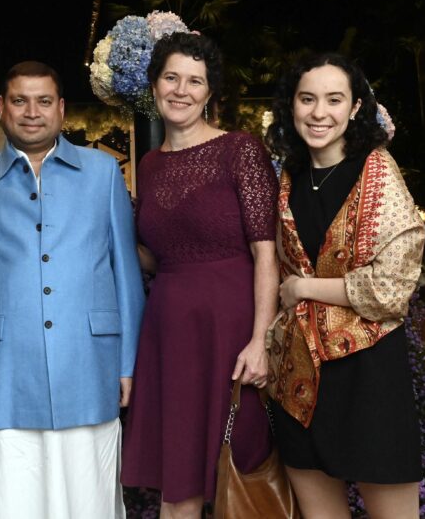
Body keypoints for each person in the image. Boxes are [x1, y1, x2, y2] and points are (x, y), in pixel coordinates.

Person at [0, 60, 145, 518]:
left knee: (89, 498)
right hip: (1, 371)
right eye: (19, 100)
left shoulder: (103, 173)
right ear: (2, 107)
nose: (31, 112)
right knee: (11, 499)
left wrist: (128, 362)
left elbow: (125, 274)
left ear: (60, 109)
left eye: (42, 101)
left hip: (88, 362)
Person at [120, 32, 280, 519]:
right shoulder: (147, 166)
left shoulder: (240, 151)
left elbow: (266, 253)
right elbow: (154, 257)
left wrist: (260, 340)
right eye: (171, 77)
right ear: (154, 85)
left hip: (231, 330)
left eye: (195, 81)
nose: (181, 90)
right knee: (178, 481)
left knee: (241, 470)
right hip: (170, 332)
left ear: (210, 93)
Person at [265, 53, 425, 519]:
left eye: (334, 100)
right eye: (307, 99)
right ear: (291, 106)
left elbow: (392, 286)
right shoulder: (288, 178)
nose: (319, 113)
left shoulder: (376, 171)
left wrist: (306, 289)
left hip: (370, 371)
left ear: (355, 107)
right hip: (300, 376)